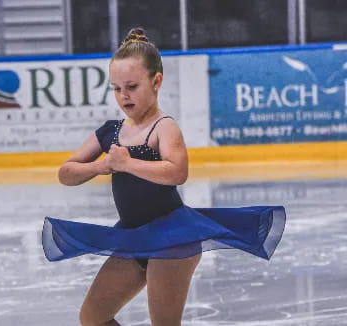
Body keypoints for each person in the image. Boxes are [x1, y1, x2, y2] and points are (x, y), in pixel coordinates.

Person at [42, 27, 285, 326]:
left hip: (173, 239)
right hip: (133, 237)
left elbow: (177, 172)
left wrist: (128, 164)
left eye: (131, 86)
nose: (123, 96)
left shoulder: (164, 127)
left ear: (156, 81)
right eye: (116, 88)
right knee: (93, 317)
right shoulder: (110, 131)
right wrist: (100, 166)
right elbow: (66, 173)